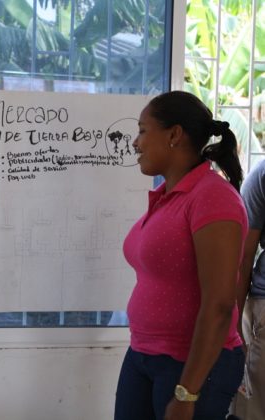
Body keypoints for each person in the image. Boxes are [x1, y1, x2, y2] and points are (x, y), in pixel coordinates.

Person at [114, 90, 248, 420]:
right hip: (144, 353)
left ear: (174, 135)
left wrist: (188, 392)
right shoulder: (167, 197)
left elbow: (219, 305)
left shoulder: (213, 198)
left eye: (143, 130)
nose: (135, 143)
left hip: (191, 365)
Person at [232, 158, 265, 420]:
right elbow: (243, 256)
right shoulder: (262, 174)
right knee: (253, 411)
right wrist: (233, 329)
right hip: (263, 313)